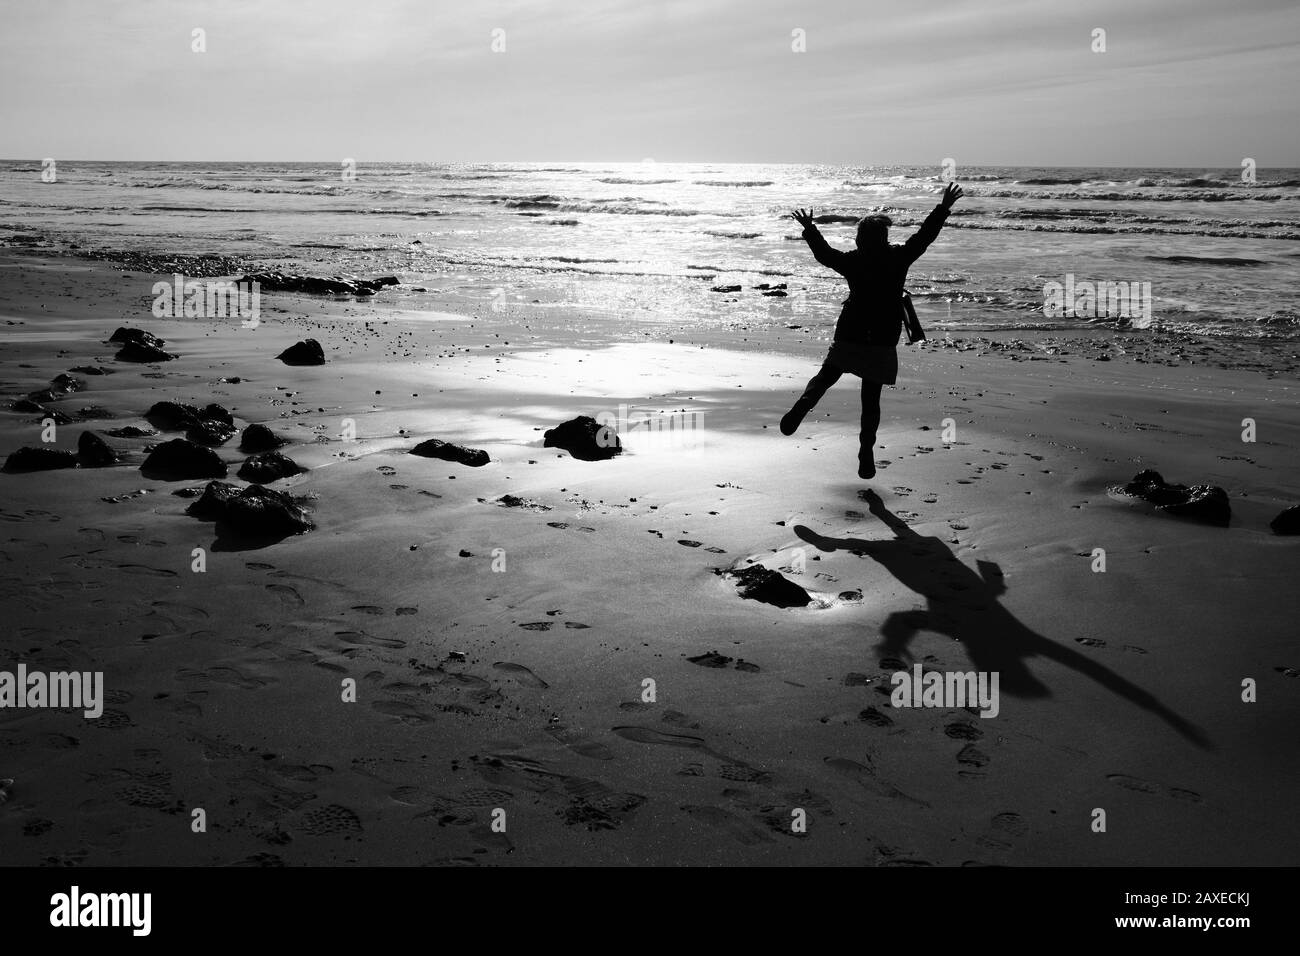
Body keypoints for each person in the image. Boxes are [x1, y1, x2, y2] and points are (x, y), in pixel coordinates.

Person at [783, 182, 963, 479]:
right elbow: (925, 237)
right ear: (884, 236)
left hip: (851, 330)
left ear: (859, 238)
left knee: (826, 376)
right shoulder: (899, 257)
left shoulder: (853, 261)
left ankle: (802, 406)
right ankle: (866, 451)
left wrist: (810, 229)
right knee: (871, 400)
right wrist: (943, 208)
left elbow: (825, 255)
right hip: (881, 336)